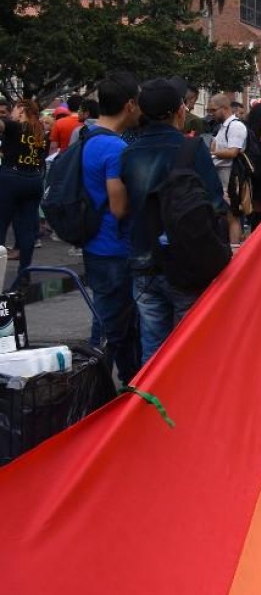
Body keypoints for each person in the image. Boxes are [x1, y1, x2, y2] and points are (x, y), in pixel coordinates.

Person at [121, 77, 226, 365]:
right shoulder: (191, 150)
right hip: (186, 262)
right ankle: (187, 406)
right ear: (179, 111)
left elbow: (123, 206)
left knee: (152, 350)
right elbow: (215, 203)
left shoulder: (128, 153)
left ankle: (149, 406)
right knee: (189, 349)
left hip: (143, 261)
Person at [81, 71, 143, 382]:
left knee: (104, 321)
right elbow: (119, 208)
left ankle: (94, 386)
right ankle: (107, 391)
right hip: (114, 245)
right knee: (118, 329)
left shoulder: (88, 137)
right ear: (130, 105)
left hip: (94, 242)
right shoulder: (115, 149)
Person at [0, 99, 49, 277]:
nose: (11, 112)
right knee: (27, 229)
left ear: (21, 110)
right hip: (33, 180)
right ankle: (24, 274)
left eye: (13, 109)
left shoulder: (14, 126)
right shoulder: (39, 130)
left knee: (1, 224)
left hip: (11, 178)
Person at [208, 93, 247, 245]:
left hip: (231, 179)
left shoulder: (235, 126)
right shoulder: (224, 127)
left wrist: (212, 153)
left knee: (233, 217)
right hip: (223, 179)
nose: (211, 113)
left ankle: (234, 251)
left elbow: (233, 152)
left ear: (224, 108)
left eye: (213, 110)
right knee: (228, 217)